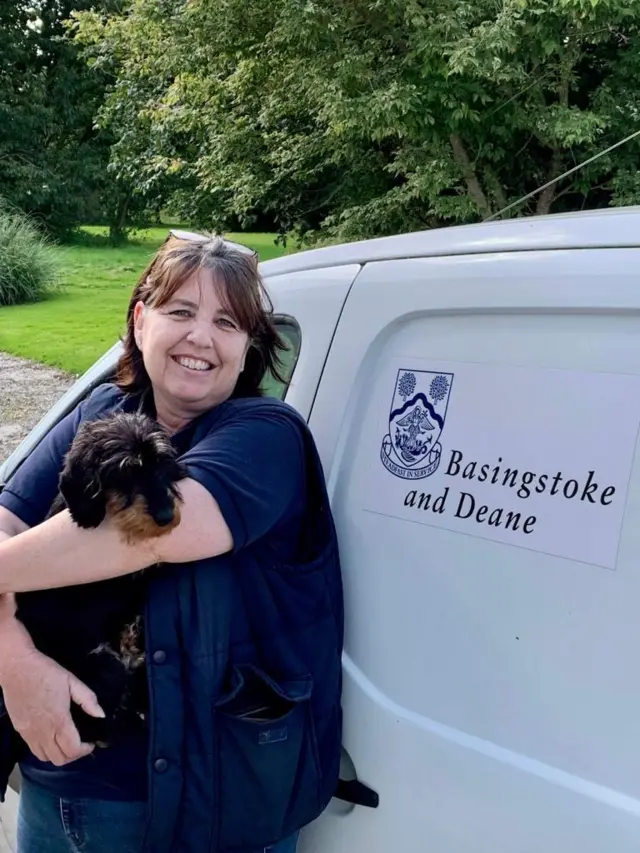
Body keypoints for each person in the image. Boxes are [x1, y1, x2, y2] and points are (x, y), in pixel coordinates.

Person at [0, 230, 344, 853]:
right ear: (141, 318)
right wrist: (14, 658)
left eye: (227, 322)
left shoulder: (268, 435)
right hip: (70, 791)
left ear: (248, 347)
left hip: (218, 808)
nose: (201, 338)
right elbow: (6, 522)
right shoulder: (101, 407)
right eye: (180, 312)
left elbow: (153, 534)